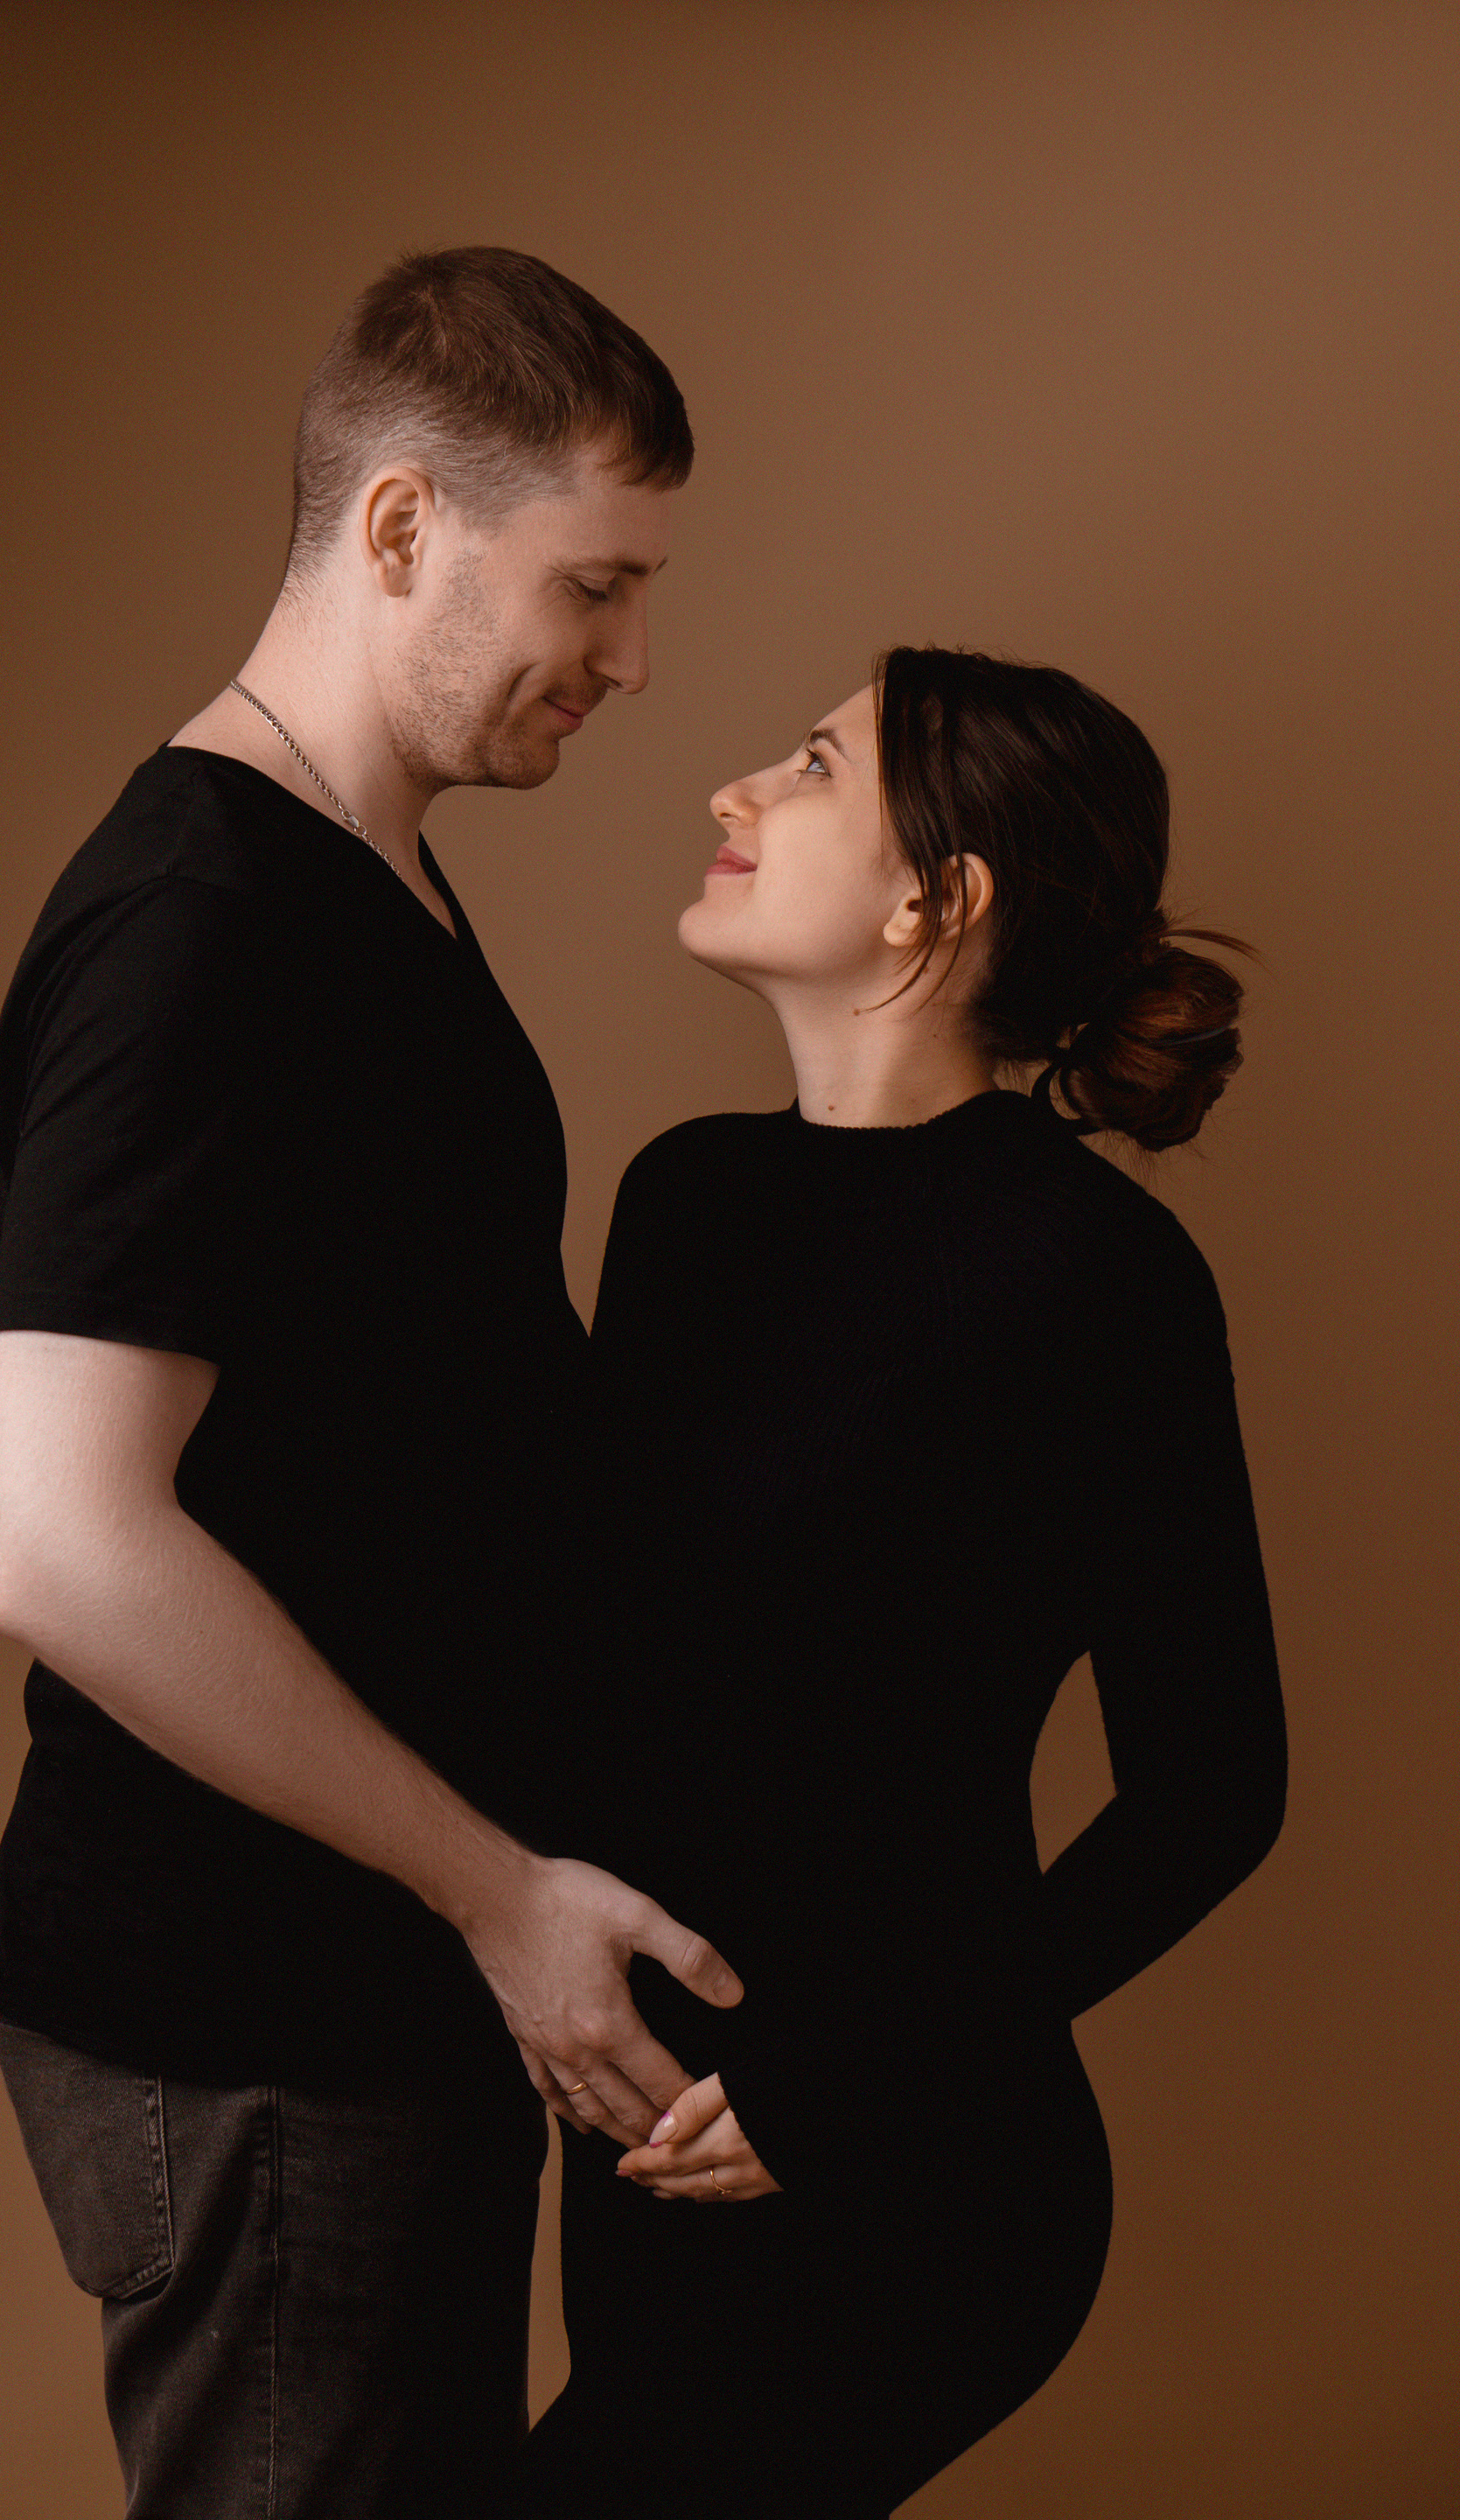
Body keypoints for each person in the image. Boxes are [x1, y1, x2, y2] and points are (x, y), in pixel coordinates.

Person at [0, 247, 744, 2520]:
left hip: (373, 1990)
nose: (630, 659)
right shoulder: (197, 923)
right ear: (403, 526)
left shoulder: (358, 868)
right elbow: (60, 1540)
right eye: (593, 586)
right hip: (255, 2018)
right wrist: (495, 1891)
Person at [521, 646, 1288, 2516]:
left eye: (809, 766)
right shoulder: (683, 1198)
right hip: (640, 2147)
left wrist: (853, 2083)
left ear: (937, 899)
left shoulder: (1096, 1277)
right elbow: (621, 1662)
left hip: (913, 2175)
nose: (733, 791)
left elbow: (1214, 1790)